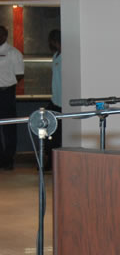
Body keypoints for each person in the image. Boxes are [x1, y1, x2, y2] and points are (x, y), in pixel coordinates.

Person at [0, 25, 24, 171]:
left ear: (6, 36)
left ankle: (9, 159)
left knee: (9, 127)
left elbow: (19, 74)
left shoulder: (14, 53)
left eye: (1, 34)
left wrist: (7, 83)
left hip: (6, 93)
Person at [44, 29, 62, 171]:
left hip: (62, 102)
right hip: (54, 100)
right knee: (49, 132)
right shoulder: (55, 56)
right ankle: (49, 159)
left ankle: (55, 162)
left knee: (58, 135)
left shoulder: (66, 57)